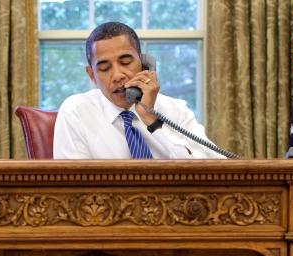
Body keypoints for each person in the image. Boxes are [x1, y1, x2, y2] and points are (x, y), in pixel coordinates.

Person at [53, 22, 224, 159]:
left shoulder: (175, 110)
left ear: (144, 64)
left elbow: (211, 172)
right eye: (104, 68)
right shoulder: (76, 112)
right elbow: (72, 187)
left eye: (126, 62)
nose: (118, 75)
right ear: (92, 75)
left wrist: (151, 119)